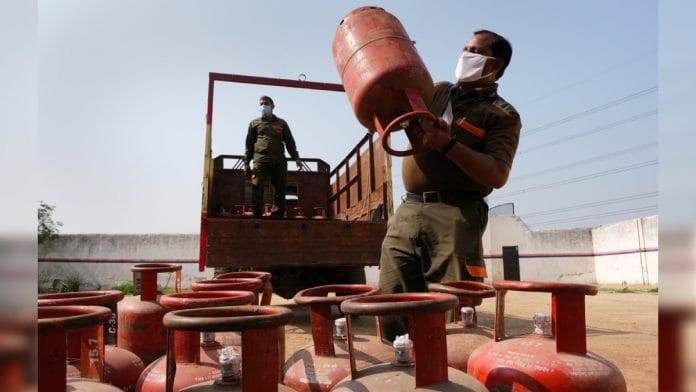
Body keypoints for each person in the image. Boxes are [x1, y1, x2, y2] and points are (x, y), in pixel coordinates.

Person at [378, 30, 522, 341]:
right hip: (409, 208)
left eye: (474, 51)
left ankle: (448, 376)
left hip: (456, 214)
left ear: (494, 65)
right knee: (390, 299)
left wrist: (448, 144)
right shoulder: (438, 92)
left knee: (452, 306)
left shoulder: (502, 115)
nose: (465, 55)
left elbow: (497, 174)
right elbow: (392, 104)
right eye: (464, 48)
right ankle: (398, 369)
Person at [244, 95, 302, 218]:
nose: (263, 106)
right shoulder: (254, 123)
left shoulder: (282, 123)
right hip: (260, 159)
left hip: (279, 160)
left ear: (272, 106)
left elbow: (290, 142)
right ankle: (257, 216)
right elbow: (249, 144)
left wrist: (296, 158)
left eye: (266, 103)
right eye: (261, 104)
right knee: (257, 186)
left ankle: (277, 216)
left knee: (280, 189)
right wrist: (246, 163)